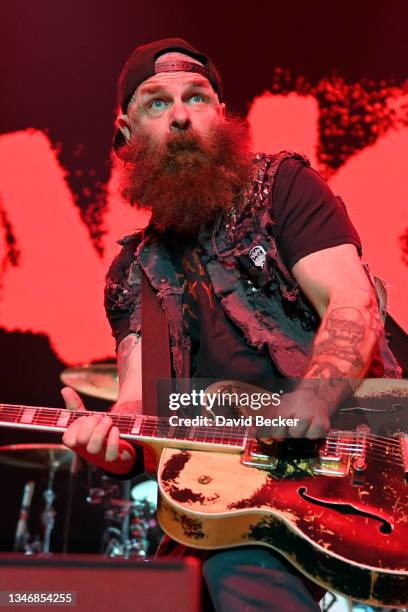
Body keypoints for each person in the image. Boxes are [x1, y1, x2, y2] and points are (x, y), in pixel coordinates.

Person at [61, 38, 401, 611]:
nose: (180, 116)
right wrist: (114, 449)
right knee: (141, 595)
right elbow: (139, 414)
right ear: (125, 134)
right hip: (229, 493)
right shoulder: (130, 273)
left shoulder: (281, 187)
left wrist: (314, 398)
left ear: (222, 117)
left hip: (357, 458)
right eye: (156, 103)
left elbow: (350, 301)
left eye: (196, 98)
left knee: (240, 574)